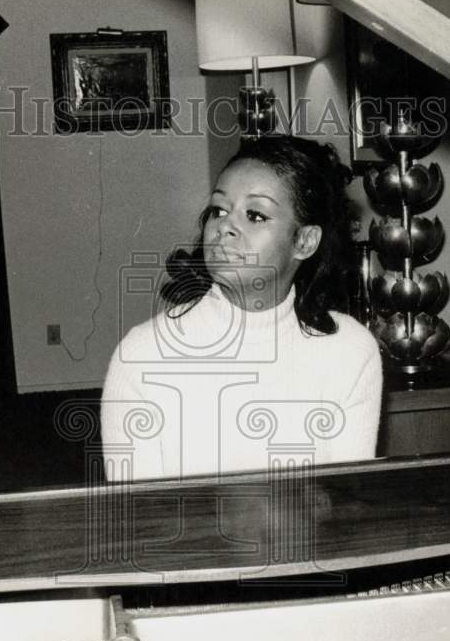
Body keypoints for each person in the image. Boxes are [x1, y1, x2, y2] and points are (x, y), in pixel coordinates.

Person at [101, 135, 382, 481]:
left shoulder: (350, 350)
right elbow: (141, 519)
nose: (224, 228)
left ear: (305, 241)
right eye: (219, 210)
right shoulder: (142, 354)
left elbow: (347, 502)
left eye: (255, 215)